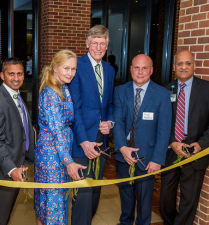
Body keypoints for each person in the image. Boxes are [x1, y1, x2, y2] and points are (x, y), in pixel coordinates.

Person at [113, 54, 172, 225]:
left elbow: (164, 130)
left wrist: (157, 159)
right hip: (123, 155)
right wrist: (122, 147)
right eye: (136, 67)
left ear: (151, 70)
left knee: (145, 201)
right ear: (131, 69)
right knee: (125, 197)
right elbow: (118, 121)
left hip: (148, 158)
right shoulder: (120, 91)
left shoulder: (162, 94)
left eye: (144, 68)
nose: (140, 72)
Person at [68, 24, 115, 225]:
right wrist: (84, 142)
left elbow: (110, 103)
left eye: (102, 44)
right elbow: (74, 109)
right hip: (82, 141)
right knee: (82, 193)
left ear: (107, 46)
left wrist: (110, 122)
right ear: (87, 44)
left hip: (101, 142)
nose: (98, 47)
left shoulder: (110, 70)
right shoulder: (76, 66)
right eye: (94, 43)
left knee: (95, 190)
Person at [34, 50, 85, 225]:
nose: (70, 73)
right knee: (52, 205)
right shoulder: (50, 93)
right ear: (55, 68)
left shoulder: (63, 87)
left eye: (73, 69)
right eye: (66, 68)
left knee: (52, 202)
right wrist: (68, 161)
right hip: (52, 156)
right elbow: (56, 131)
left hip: (59, 152)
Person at [160, 50, 209, 225]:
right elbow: (161, 123)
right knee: (165, 196)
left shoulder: (206, 89)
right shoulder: (165, 90)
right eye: (179, 63)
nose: (183, 67)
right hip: (171, 150)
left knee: (189, 200)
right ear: (174, 67)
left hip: (196, 151)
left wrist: (201, 144)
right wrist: (172, 141)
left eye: (188, 63)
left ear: (194, 66)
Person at [0, 57, 35, 225]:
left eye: (20, 73)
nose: (16, 78)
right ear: (2, 76)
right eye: (11, 74)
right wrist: (11, 168)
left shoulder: (17, 96)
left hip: (17, 164)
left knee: (5, 215)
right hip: (5, 170)